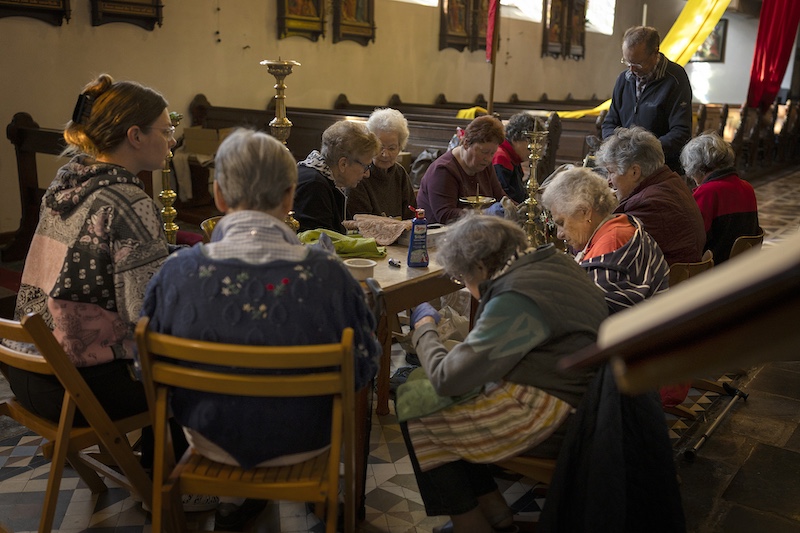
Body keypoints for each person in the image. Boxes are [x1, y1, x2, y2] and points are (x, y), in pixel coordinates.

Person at [141, 128, 381, 525]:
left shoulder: (175, 273)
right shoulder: (329, 276)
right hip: (305, 439)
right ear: (290, 197)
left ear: (218, 195)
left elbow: (145, 369)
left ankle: (237, 503)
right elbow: (363, 367)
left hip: (209, 438)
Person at [2, 74, 214, 511]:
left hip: (28, 376)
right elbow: (148, 315)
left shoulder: (67, 184)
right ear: (135, 136)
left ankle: (149, 463)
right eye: (166, 130)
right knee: (190, 363)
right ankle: (172, 486)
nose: (172, 141)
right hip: (77, 389)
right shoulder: (129, 200)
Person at [398, 214, 608, 533]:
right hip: (587, 401)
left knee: (416, 402)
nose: (467, 287)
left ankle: (471, 525)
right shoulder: (555, 263)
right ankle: (494, 510)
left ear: (480, 268)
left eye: (464, 278)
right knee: (431, 392)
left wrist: (424, 328)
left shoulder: (517, 298)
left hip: (556, 415)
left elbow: (445, 379)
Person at [540, 166, 669, 313]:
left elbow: (588, 311)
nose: (560, 234)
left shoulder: (611, 243)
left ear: (585, 212)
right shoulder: (618, 226)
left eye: (562, 223)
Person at [594, 126, 706, 266]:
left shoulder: (648, 203)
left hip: (667, 285)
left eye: (611, 172)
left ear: (635, 172)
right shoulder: (670, 183)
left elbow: (606, 251)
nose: (608, 181)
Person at [602, 26, 692, 174]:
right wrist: (617, 148)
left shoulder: (675, 79)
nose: (631, 70)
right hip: (625, 166)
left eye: (637, 64)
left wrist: (642, 151)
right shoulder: (624, 79)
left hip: (661, 168)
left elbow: (681, 132)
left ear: (655, 52)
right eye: (627, 62)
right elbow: (609, 122)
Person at [680, 131, 760, 264]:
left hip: (716, 268)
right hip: (745, 264)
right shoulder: (747, 187)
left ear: (697, 167)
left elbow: (691, 239)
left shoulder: (708, 192)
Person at [416, 115, 508, 224]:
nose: (488, 159)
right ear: (466, 143)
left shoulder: (484, 165)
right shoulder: (443, 170)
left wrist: (515, 208)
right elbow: (446, 215)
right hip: (443, 235)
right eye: (484, 152)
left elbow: (500, 197)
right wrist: (485, 214)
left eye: (492, 153)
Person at [294, 120, 379, 233]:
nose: (367, 174)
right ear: (343, 164)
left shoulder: (324, 179)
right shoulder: (314, 186)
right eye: (365, 166)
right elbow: (321, 243)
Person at [346, 108, 417, 219]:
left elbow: (410, 213)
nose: (385, 154)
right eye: (380, 147)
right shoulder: (360, 174)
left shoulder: (400, 173)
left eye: (392, 148)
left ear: (400, 147)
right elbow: (360, 220)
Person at [492, 112, 536, 203]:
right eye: (530, 141)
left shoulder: (513, 156)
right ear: (516, 138)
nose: (533, 148)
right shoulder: (501, 157)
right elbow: (504, 198)